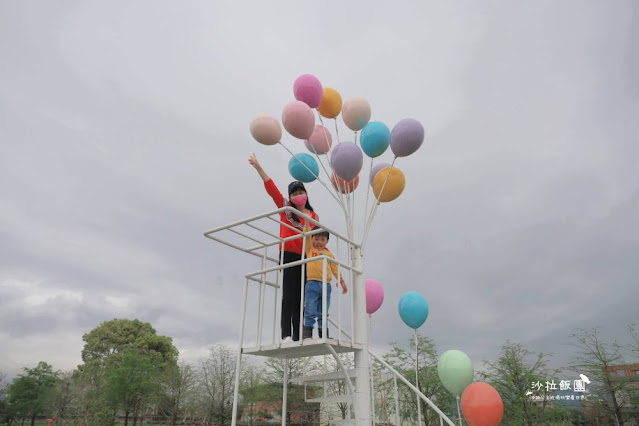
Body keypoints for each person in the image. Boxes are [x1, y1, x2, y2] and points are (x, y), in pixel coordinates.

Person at [248, 153, 319, 342]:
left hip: (306, 257)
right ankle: (286, 334)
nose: (298, 196)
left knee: (302, 297)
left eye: (300, 193)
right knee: (289, 295)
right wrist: (258, 167)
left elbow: (315, 240)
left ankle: (299, 334)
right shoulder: (286, 208)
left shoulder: (313, 215)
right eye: (294, 194)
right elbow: (271, 189)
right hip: (288, 255)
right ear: (290, 197)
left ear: (306, 194)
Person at [302, 224, 347, 340]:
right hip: (312, 283)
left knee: (324, 310)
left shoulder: (329, 254)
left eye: (322, 239)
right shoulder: (310, 249)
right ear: (312, 239)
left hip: (326, 285)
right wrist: (307, 224)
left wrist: (341, 281)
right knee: (310, 308)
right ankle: (308, 333)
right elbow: (306, 235)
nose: (319, 242)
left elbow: (335, 268)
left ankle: (324, 334)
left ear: (327, 241)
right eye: (316, 239)